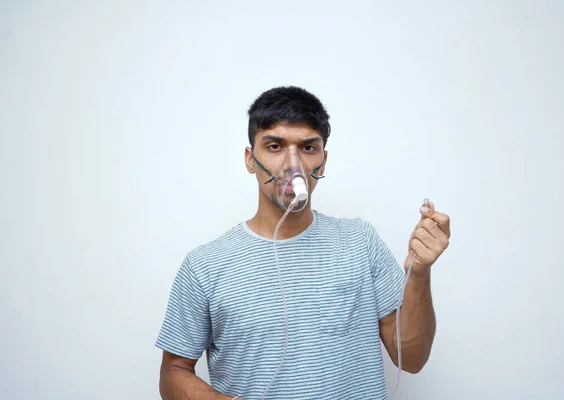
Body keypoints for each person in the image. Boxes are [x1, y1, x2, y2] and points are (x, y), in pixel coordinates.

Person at [156, 86, 451, 400]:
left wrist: (419, 273)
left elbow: (413, 358)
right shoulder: (205, 265)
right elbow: (173, 371)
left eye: (308, 148)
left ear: (322, 162)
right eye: (275, 146)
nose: (291, 163)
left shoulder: (360, 243)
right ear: (250, 159)